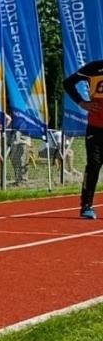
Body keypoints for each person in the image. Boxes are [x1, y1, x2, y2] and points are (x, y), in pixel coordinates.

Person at [62, 57, 103, 219]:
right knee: (93, 165)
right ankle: (86, 205)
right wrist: (81, 102)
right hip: (96, 127)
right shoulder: (95, 68)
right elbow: (68, 83)